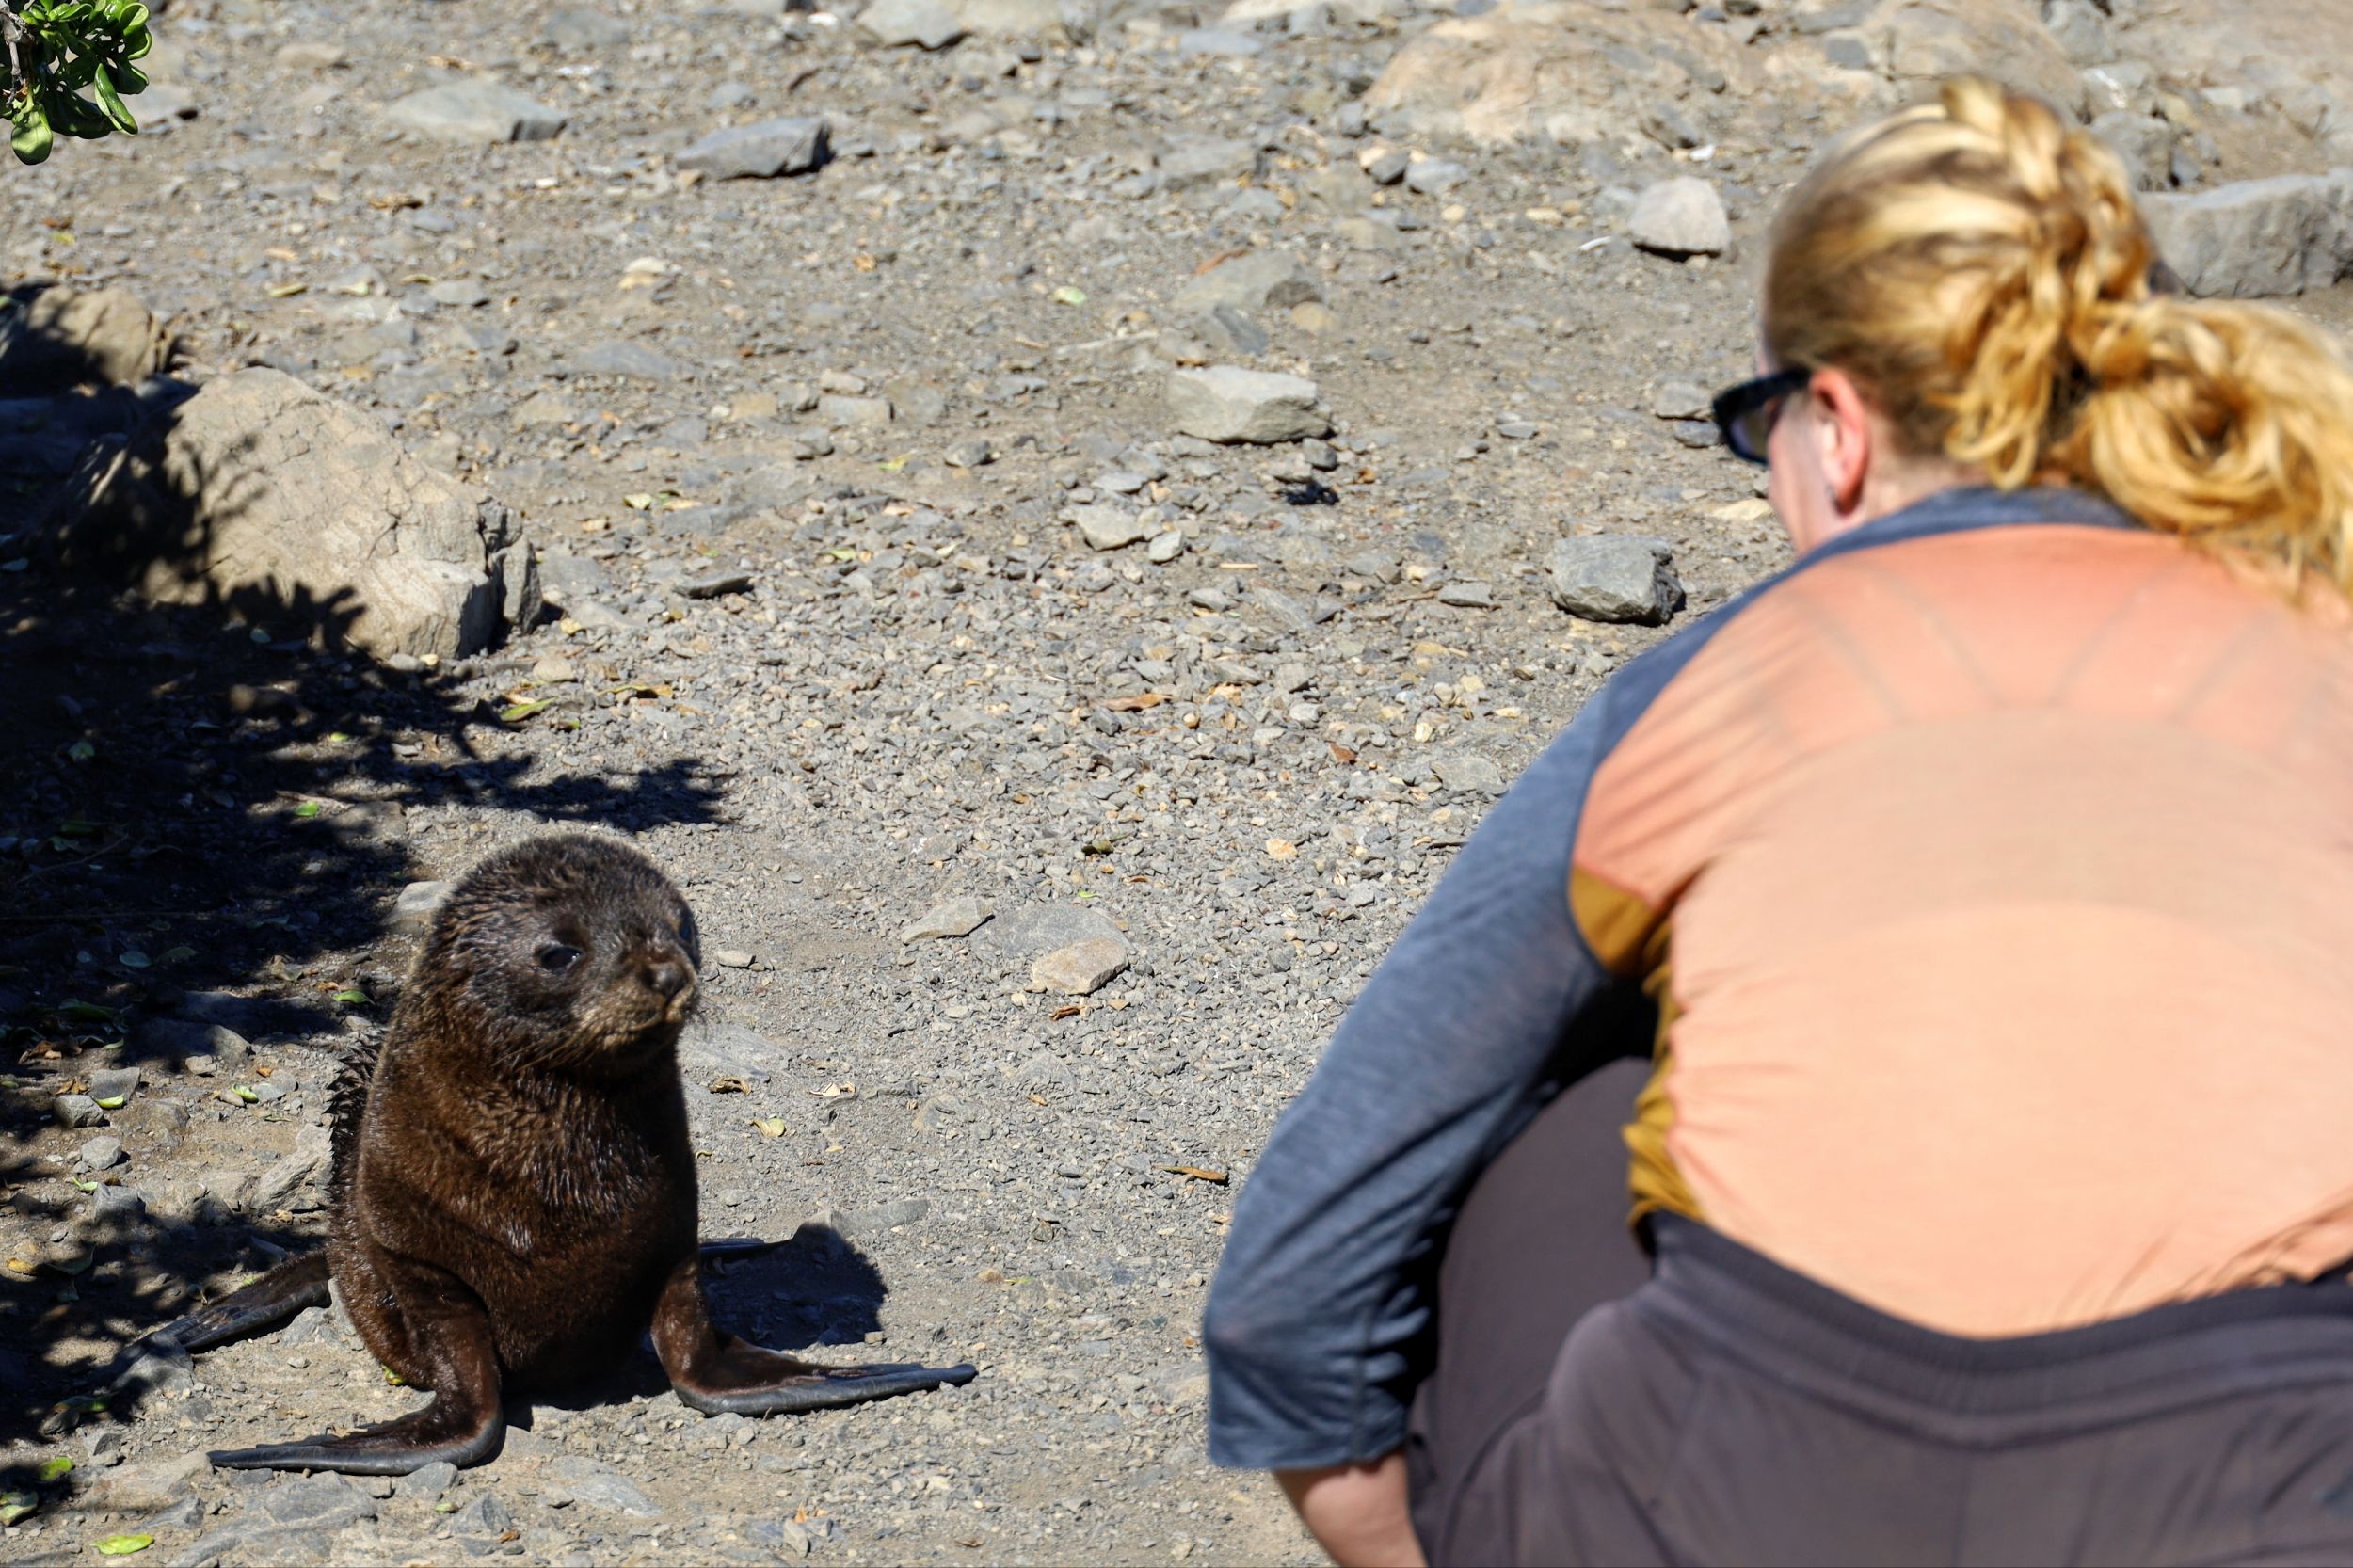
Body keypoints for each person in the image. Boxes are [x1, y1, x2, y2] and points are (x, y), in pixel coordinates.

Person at [1202, 75, 2353, 1567]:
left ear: (1838, 427)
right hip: (2267, 1492)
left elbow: (1309, 1252)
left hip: (1735, 1499)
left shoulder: (1719, 680)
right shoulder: (2322, 644)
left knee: (1580, 1093)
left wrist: (1398, 1536)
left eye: (1763, 432)